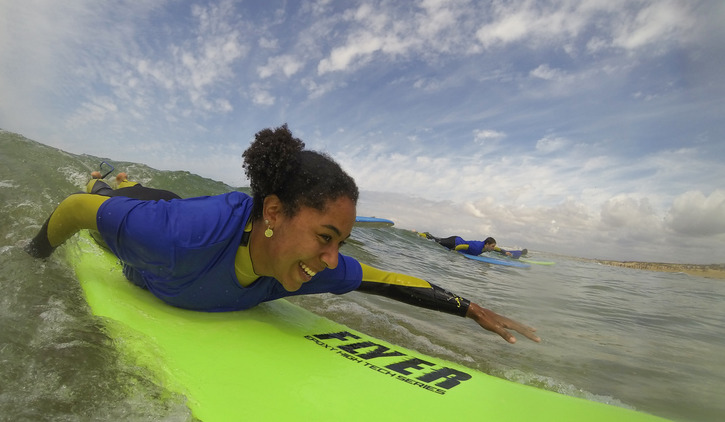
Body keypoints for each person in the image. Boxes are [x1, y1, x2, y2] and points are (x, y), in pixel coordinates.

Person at [26, 124, 540, 344]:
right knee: (108, 196)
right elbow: (72, 211)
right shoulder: (173, 240)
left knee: (140, 192)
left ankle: (120, 177)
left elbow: (382, 279)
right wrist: (30, 262)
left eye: (341, 243)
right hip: (168, 214)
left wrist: (469, 308)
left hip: (191, 212)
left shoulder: (306, 269)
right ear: (274, 212)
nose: (334, 259)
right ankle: (109, 178)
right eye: (326, 237)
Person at [421, 233, 528, 259]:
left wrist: (505, 253)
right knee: (436, 241)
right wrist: (452, 251)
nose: (493, 247)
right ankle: (424, 235)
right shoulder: (477, 247)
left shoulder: (487, 247)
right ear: (487, 244)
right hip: (455, 242)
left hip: (459, 241)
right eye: (492, 246)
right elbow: (462, 246)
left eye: (493, 246)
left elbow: (498, 249)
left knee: (437, 240)